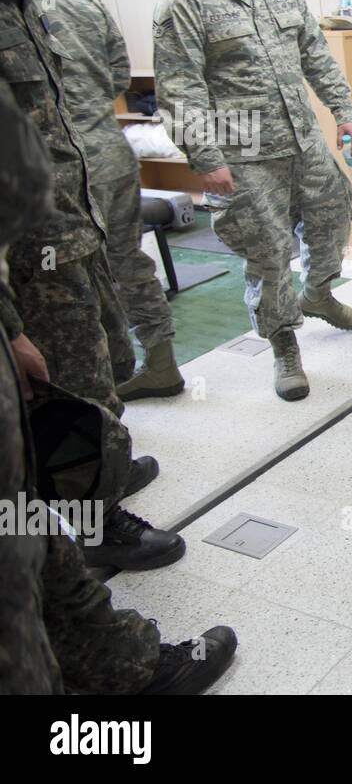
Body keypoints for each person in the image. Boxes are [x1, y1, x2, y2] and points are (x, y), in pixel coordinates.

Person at [0, 71, 236, 696]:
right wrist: (9, 321)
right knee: (24, 502)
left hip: (68, 239)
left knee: (73, 419)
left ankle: (92, 510)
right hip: (30, 268)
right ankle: (115, 640)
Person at [0, 0, 184, 571]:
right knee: (66, 384)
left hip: (74, 225)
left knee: (98, 362)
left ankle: (105, 471)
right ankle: (96, 521)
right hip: (27, 262)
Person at [153, 0, 352, 401]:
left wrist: (345, 112)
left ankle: (318, 293)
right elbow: (180, 88)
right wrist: (205, 159)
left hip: (300, 136)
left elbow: (315, 54)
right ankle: (284, 344)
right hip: (242, 150)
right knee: (270, 253)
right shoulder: (185, 1)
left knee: (334, 209)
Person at [7, 0, 183, 401]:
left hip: (55, 168)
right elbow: (120, 76)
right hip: (107, 148)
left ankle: (89, 394)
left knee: (61, 279)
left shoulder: (14, 2)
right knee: (127, 260)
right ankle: (159, 363)